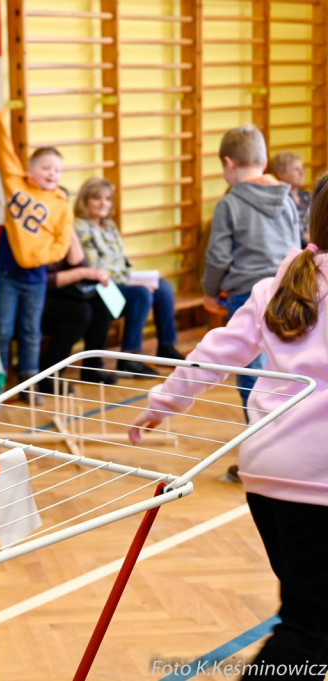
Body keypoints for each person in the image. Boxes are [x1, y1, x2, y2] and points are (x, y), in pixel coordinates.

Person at [130, 172, 328, 680]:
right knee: (310, 629)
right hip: (316, 481)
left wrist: (163, 401)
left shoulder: (277, 286)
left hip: (266, 476)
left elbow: (216, 352)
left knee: (311, 616)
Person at [202, 125, 301, 412]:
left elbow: (218, 257)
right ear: (265, 162)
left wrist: (209, 291)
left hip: (246, 293)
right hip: (286, 289)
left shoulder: (229, 203)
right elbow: (295, 247)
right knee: (281, 364)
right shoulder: (288, 199)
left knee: (250, 366)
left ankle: (255, 432)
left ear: (228, 164)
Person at [0, 108, 73, 395]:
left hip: (35, 278)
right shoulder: (16, 185)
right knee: (2, 330)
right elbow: (5, 156)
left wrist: (34, 257)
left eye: (58, 170)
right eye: (46, 168)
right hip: (5, 274)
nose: (53, 174)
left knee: (30, 331)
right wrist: (0, 122)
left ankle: (28, 381)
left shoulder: (61, 204)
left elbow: (61, 245)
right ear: (29, 170)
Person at [74, 177, 184, 377]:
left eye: (107, 199)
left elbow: (121, 262)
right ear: (85, 200)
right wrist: (132, 282)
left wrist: (133, 279)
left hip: (119, 281)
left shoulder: (109, 227)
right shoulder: (79, 227)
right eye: (97, 198)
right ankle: (129, 358)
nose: (103, 203)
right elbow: (96, 266)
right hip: (98, 285)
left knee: (163, 287)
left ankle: (166, 346)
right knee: (141, 294)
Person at [39, 229, 114, 388]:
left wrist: (71, 235)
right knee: (79, 312)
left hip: (61, 294)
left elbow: (78, 262)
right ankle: (49, 374)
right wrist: (82, 273)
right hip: (36, 302)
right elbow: (43, 281)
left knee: (101, 305)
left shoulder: (62, 230)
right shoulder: (36, 235)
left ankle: (92, 367)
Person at [269, 151, 311, 243]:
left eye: (302, 168)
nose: (302, 173)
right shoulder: (277, 199)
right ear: (281, 173)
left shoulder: (308, 196)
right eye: (296, 169)